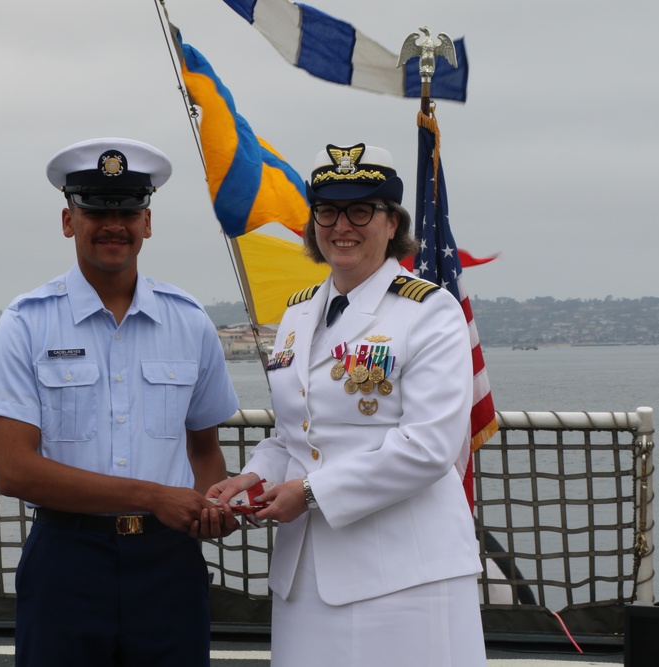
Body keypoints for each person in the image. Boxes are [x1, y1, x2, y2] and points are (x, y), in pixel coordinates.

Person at [208, 143, 487, 666]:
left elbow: (430, 446)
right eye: (328, 211)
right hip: (306, 574)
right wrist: (253, 477)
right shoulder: (297, 315)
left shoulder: (429, 312)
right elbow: (296, 434)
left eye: (362, 210)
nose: (343, 226)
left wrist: (310, 492)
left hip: (403, 576)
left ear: (392, 223)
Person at [0, 137, 240, 667]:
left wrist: (212, 507)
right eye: (96, 208)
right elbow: (15, 471)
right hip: (67, 561)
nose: (114, 222)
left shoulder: (189, 322)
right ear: (69, 221)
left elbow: (204, 450)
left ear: (148, 222)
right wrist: (155, 496)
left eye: (129, 209)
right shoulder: (26, 322)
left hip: (169, 564)